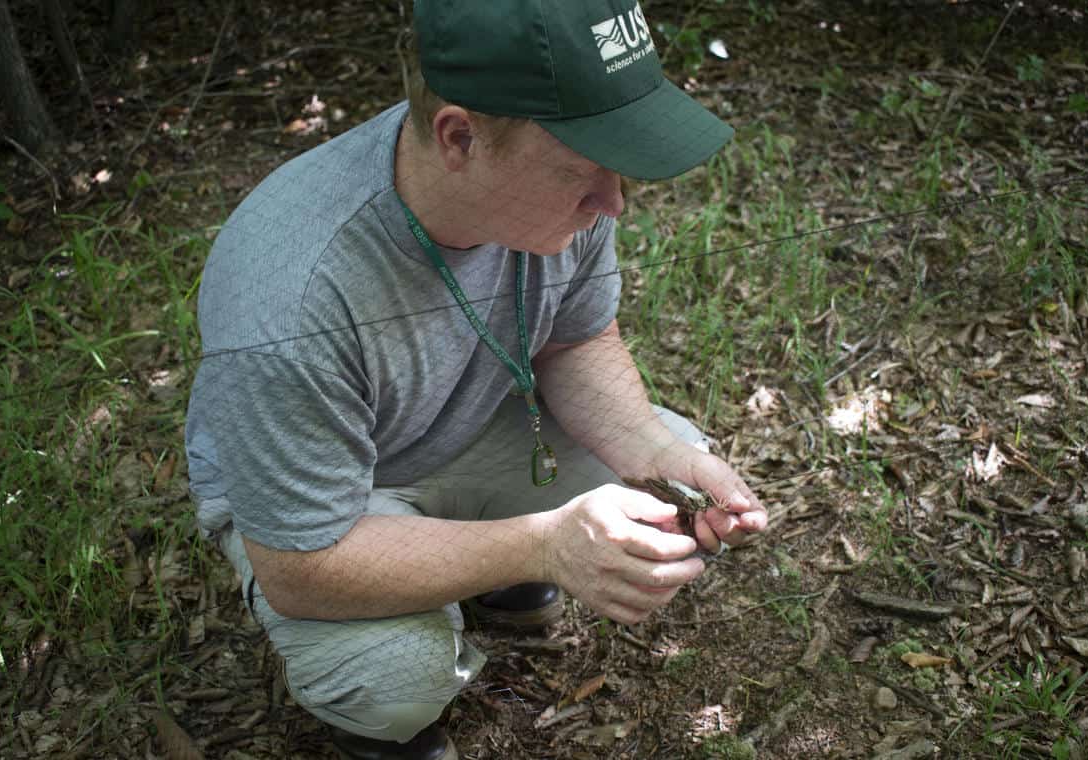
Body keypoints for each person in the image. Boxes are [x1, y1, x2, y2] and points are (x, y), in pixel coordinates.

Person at [185, 1, 768, 758]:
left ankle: (485, 571)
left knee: (668, 473)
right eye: (587, 170)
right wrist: (546, 547)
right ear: (458, 137)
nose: (613, 202)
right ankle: (393, 710)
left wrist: (657, 453)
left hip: (465, 423)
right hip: (325, 511)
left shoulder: (565, 189)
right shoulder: (291, 292)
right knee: (393, 682)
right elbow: (301, 566)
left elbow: (576, 340)